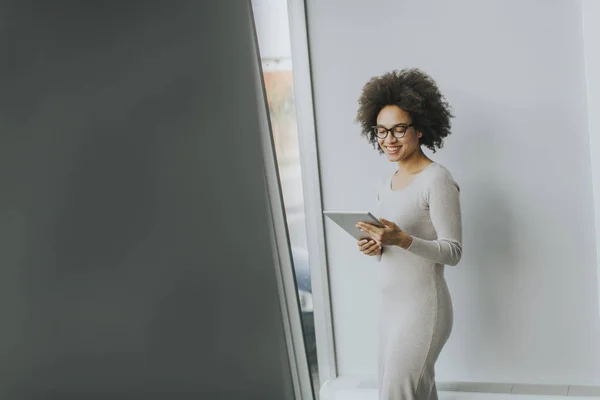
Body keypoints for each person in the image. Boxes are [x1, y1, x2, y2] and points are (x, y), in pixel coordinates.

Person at [354, 68, 463, 400]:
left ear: (419, 130)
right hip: (389, 309)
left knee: (397, 395)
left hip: (422, 310)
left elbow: (453, 251)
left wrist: (403, 239)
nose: (389, 139)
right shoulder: (384, 184)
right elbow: (393, 248)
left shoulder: (437, 180)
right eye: (382, 130)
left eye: (399, 129)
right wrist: (376, 246)